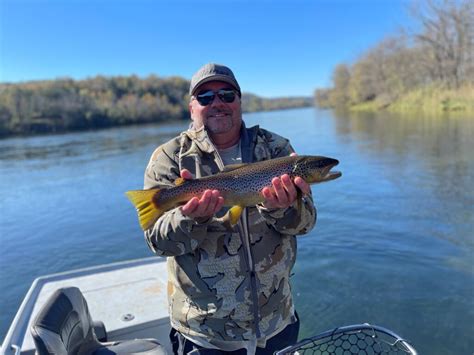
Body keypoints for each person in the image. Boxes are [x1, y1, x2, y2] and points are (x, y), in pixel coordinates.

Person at [142, 63, 317, 354]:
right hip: (205, 334)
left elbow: (306, 223)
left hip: (277, 322)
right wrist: (188, 217)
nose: (217, 102)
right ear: (191, 107)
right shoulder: (170, 157)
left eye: (226, 94)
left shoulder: (276, 149)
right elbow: (157, 242)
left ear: (239, 101)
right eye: (206, 97)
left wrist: (280, 209)